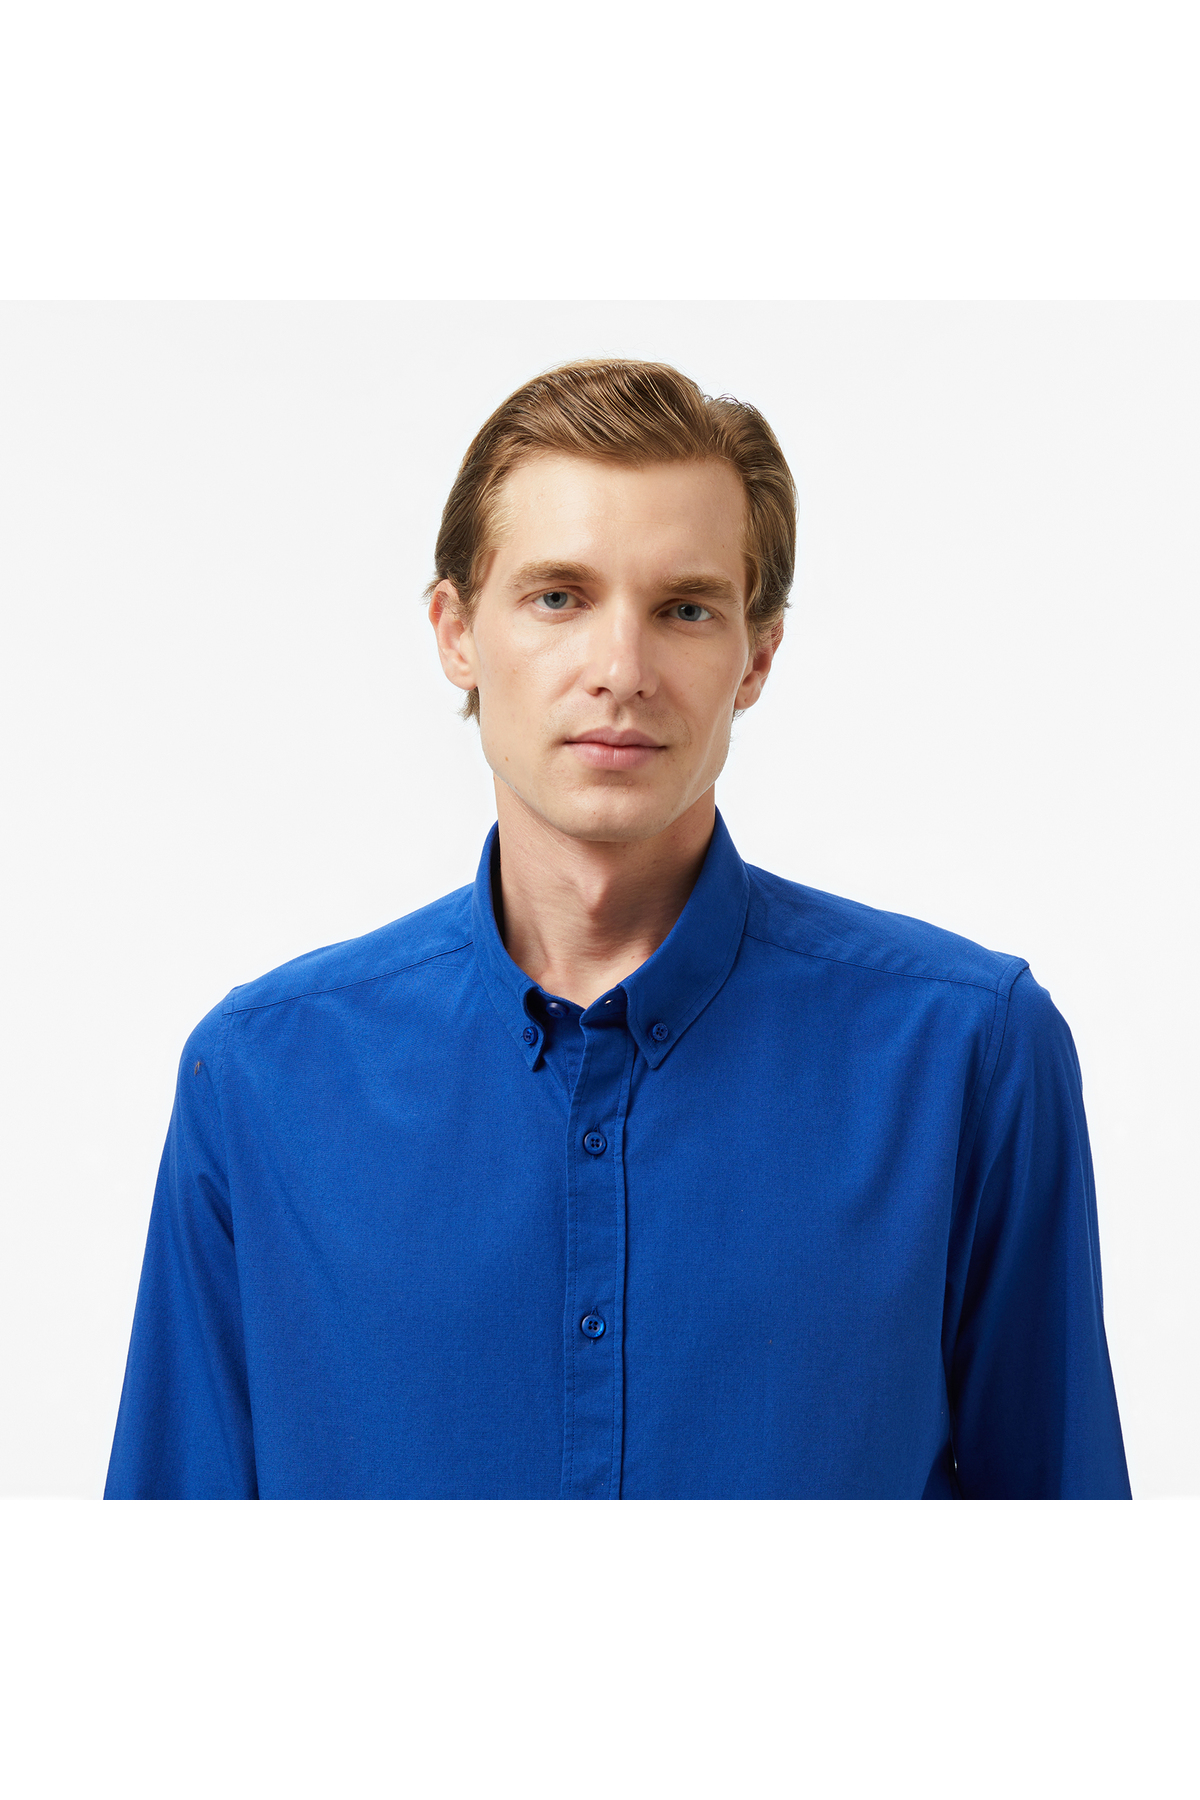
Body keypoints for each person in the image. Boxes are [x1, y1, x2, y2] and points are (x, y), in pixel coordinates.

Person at [105, 358, 1130, 1500]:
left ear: (758, 654)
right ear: (455, 631)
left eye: (685, 609)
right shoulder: (261, 1080)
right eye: (559, 597)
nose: (621, 672)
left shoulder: (971, 1056)